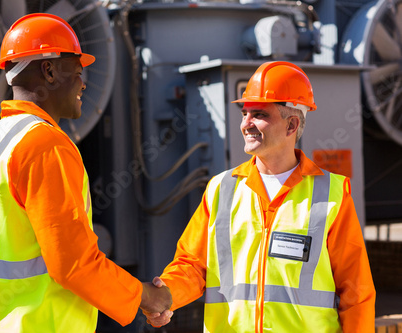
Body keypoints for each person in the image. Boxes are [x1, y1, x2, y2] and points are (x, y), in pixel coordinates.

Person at [0, 13, 171, 332]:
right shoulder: (45, 144)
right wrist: (146, 296)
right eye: (77, 71)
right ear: (48, 70)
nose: (83, 83)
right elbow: (73, 264)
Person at [144, 61, 376, 332]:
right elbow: (192, 266)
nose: (246, 124)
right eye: (245, 114)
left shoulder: (332, 195)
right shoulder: (221, 189)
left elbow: (356, 292)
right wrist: (166, 298)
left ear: (292, 125)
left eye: (259, 114)